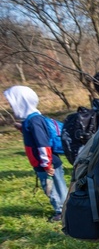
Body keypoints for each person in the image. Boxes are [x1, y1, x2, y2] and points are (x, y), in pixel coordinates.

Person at [4, 85, 68, 222]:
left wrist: (46, 164)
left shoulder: (34, 121)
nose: (10, 105)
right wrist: (22, 128)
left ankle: (61, 211)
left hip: (47, 164)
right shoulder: (32, 120)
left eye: (12, 102)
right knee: (58, 186)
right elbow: (35, 138)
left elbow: (42, 144)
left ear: (21, 102)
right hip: (48, 163)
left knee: (52, 189)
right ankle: (65, 209)